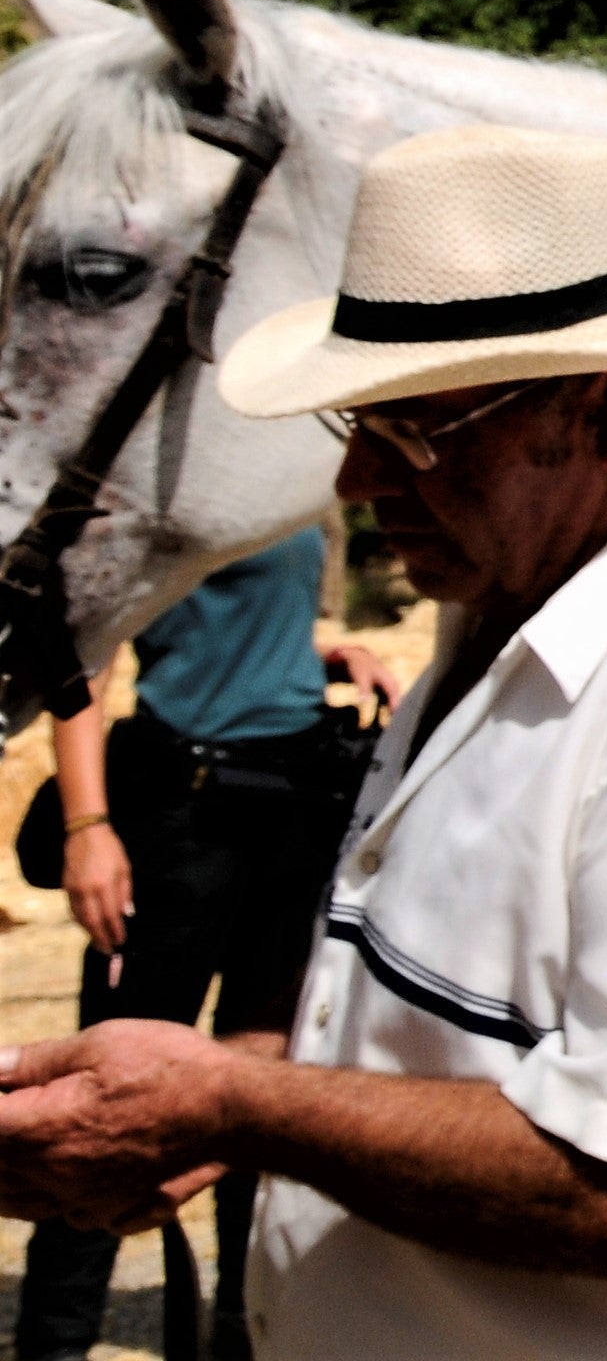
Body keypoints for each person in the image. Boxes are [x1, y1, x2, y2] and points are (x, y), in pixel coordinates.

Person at [0, 125, 607, 1361]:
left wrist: (240, 1104)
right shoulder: (514, 610)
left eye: (419, 429)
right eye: (357, 424)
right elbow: (484, 1031)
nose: (361, 478)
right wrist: (239, 1081)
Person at [14, 535, 394, 1361]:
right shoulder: (182, 493)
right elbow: (88, 664)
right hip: (186, 815)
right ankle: (54, 1343)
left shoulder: (292, 478)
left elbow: (250, 623)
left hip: (299, 808)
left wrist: (332, 651)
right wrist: (88, 827)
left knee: (263, 1097)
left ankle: (240, 1332)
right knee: (101, 1103)